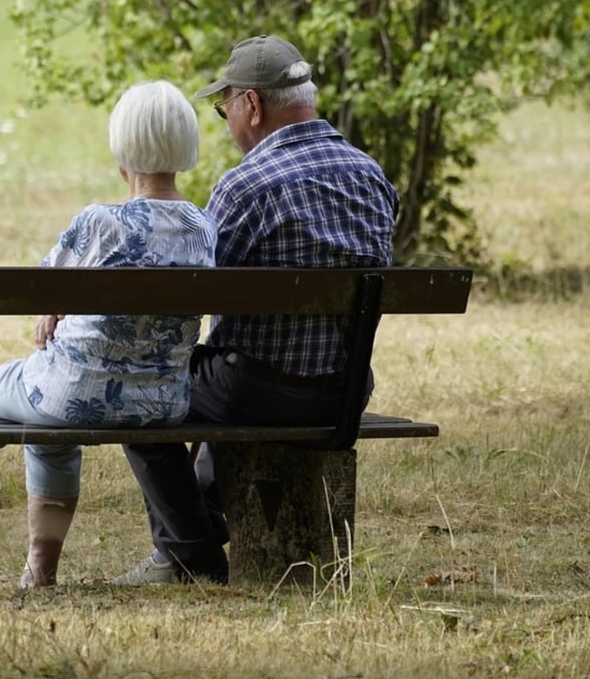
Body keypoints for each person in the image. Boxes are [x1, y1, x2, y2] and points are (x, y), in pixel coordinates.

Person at [110, 35, 400, 586]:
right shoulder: (372, 176)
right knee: (227, 369)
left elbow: (195, 298)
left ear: (252, 105)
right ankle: (198, 530)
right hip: (344, 391)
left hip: (258, 392)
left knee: (138, 387)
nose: (227, 123)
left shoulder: (245, 186)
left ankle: (191, 554)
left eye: (225, 110)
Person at [0, 80, 217, 592]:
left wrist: (53, 309)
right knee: (48, 424)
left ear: (122, 148)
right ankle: (39, 572)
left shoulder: (100, 222)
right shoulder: (203, 227)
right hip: (161, 403)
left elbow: (40, 288)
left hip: (71, 395)